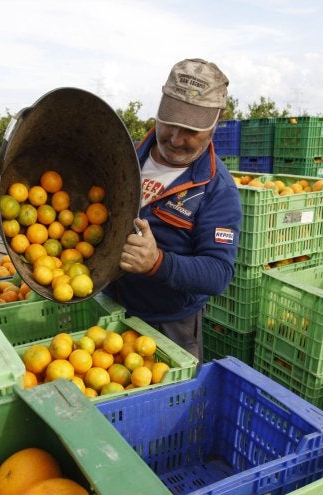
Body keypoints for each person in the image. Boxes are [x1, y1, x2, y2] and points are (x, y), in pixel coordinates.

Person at [109, 58, 242, 361]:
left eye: (190, 129)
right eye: (169, 122)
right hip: (108, 307)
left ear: (215, 124)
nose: (175, 138)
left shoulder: (217, 190)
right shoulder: (123, 155)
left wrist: (157, 262)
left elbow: (218, 273)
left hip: (169, 326)